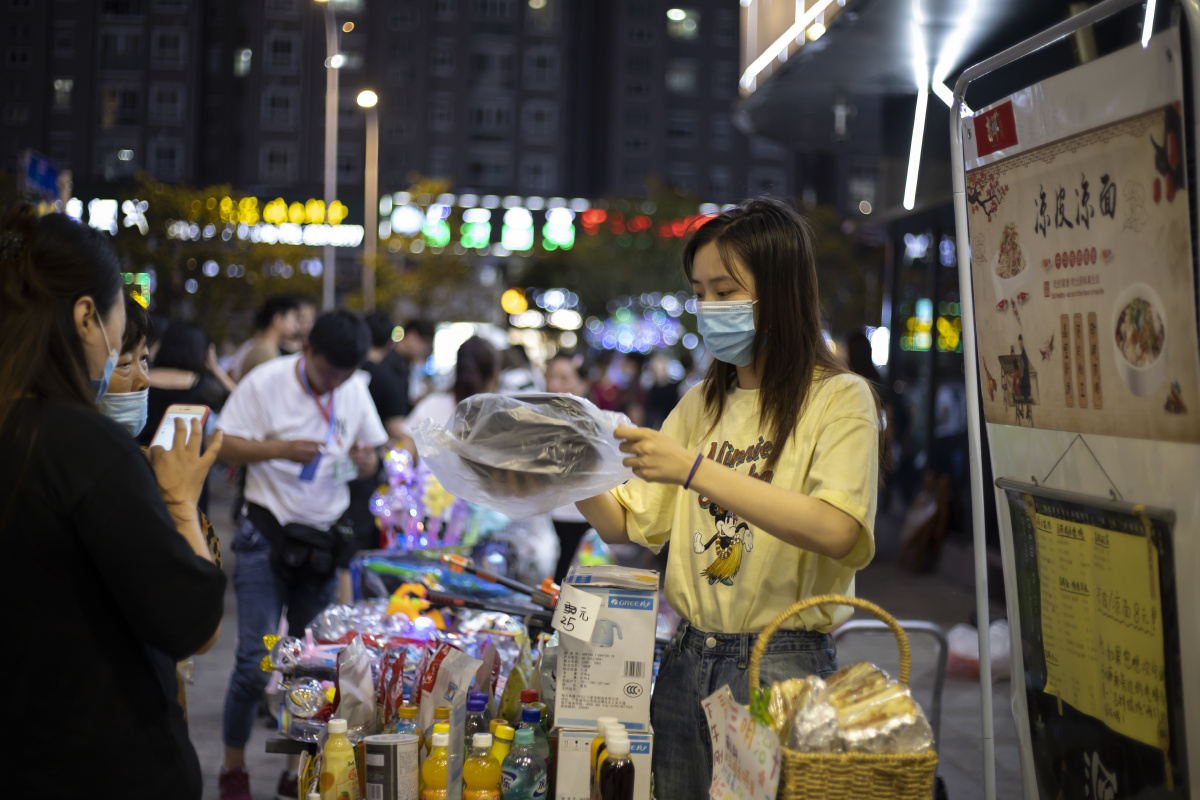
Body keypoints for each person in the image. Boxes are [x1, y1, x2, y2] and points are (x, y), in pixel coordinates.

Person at [575, 198, 880, 797]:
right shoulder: (699, 402)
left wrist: (693, 469)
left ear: (782, 293)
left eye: (725, 292)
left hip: (782, 666)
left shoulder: (840, 399)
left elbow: (837, 529)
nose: (708, 310)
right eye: (700, 293)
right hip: (687, 658)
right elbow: (623, 523)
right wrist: (566, 469)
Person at [0, 205, 225, 800]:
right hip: (97, 766)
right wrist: (178, 501)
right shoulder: (83, 446)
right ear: (86, 316)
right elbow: (185, 619)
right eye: (124, 344)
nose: (130, 362)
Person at [215, 309, 388, 800]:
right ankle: (232, 768)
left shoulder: (354, 388)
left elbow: (372, 451)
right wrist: (279, 450)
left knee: (312, 669)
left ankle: (298, 772)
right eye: (327, 374)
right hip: (266, 532)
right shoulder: (266, 382)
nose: (335, 384)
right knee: (255, 662)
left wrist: (365, 460)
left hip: (323, 540)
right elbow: (221, 445)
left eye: (343, 377)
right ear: (307, 350)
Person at [545, 352, 594, 582]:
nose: (554, 385)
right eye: (551, 377)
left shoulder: (595, 423)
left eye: (564, 378)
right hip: (543, 520)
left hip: (577, 519)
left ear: (582, 384)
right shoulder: (537, 419)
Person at [231, 293, 302, 380]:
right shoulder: (264, 352)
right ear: (278, 319)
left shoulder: (264, 347)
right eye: (294, 319)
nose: (297, 326)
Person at [387, 317, 435, 412]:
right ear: (411, 336)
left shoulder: (406, 364)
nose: (425, 349)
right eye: (424, 343)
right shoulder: (390, 364)